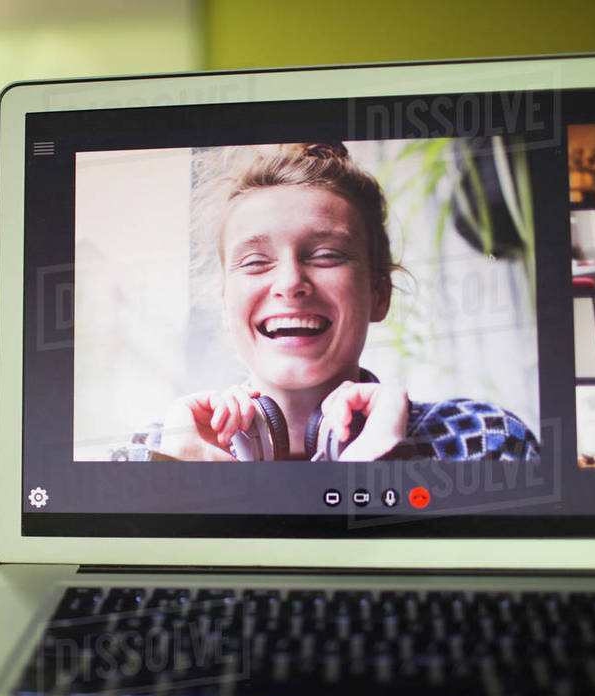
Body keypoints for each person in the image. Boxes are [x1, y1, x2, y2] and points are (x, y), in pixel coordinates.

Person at [116, 142, 539, 463]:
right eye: (256, 261)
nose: (291, 282)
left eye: (326, 256)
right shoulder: (148, 456)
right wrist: (178, 482)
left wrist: (379, 473)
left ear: (378, 293)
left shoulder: (485, 440)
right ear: (225, 304)